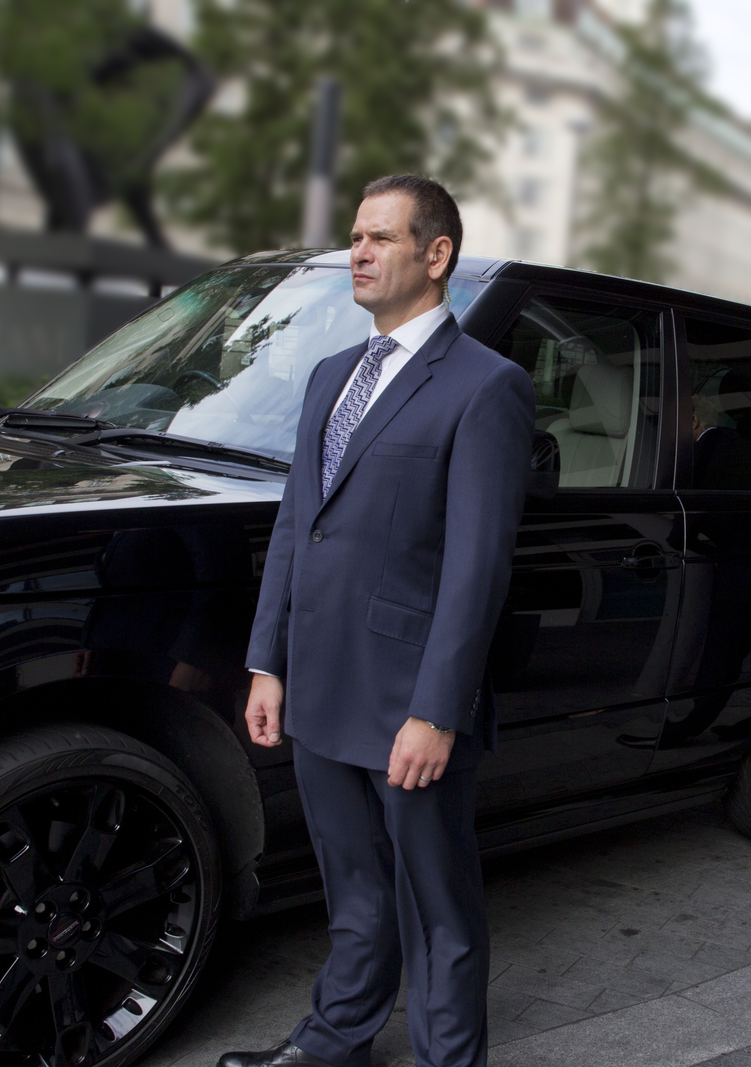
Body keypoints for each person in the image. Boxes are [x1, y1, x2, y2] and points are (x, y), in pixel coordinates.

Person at [218, 175, 534, 1067]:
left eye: (380, 238)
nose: (357, 252)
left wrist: (437, 710)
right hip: (319, 686)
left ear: (436, 255)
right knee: (353, 890)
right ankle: (334, 1042)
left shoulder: (487, 387)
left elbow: (477, 566)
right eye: (355, 237)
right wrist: (268, 660)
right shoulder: (331, 376)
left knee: (437, 907)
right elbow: (298, 523)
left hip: (407, 703)